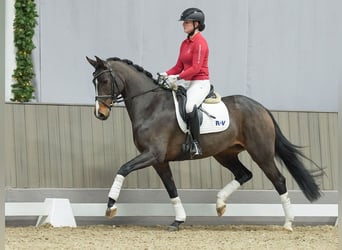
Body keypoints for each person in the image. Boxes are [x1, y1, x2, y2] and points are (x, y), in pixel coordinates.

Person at [160, 7, 211, 157]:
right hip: (187, 82)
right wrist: (166, 74)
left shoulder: (200, 43)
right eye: (184, 22)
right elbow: (178, 66)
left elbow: (196, 68)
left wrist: (177, 77)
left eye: (187, 22)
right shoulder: (185, 43)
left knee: (189, 107)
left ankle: (196, 143)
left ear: (196, 24)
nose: (184, 24)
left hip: (200, 82)